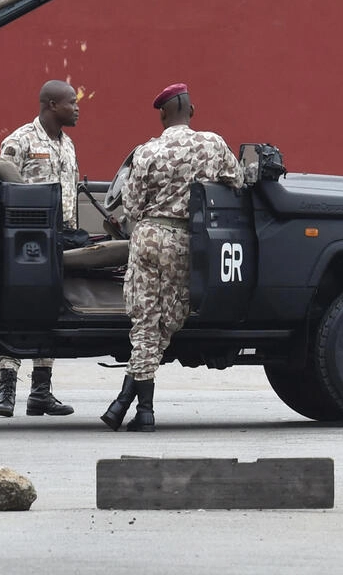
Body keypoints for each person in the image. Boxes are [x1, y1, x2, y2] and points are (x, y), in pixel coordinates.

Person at [101, 83, 244, 433]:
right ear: (191, 111)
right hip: (186, 239)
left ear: (163, 113)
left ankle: (133, 406)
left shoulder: (146, 152)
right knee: (169, 320)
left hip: (149, 236)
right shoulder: (213, 144)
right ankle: (133, 407)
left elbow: (131, 205)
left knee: (146, 320)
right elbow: (237, 182)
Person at [0, 80, 80, 418]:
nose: (77, 107)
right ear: (51, 105)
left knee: (49, 310)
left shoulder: (68, 145)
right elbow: (1, 182)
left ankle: (41, 392)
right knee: (15, 311)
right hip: (24, 241)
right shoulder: (20, 140)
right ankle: (6, 391)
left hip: (60, 238)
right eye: (71, 102)